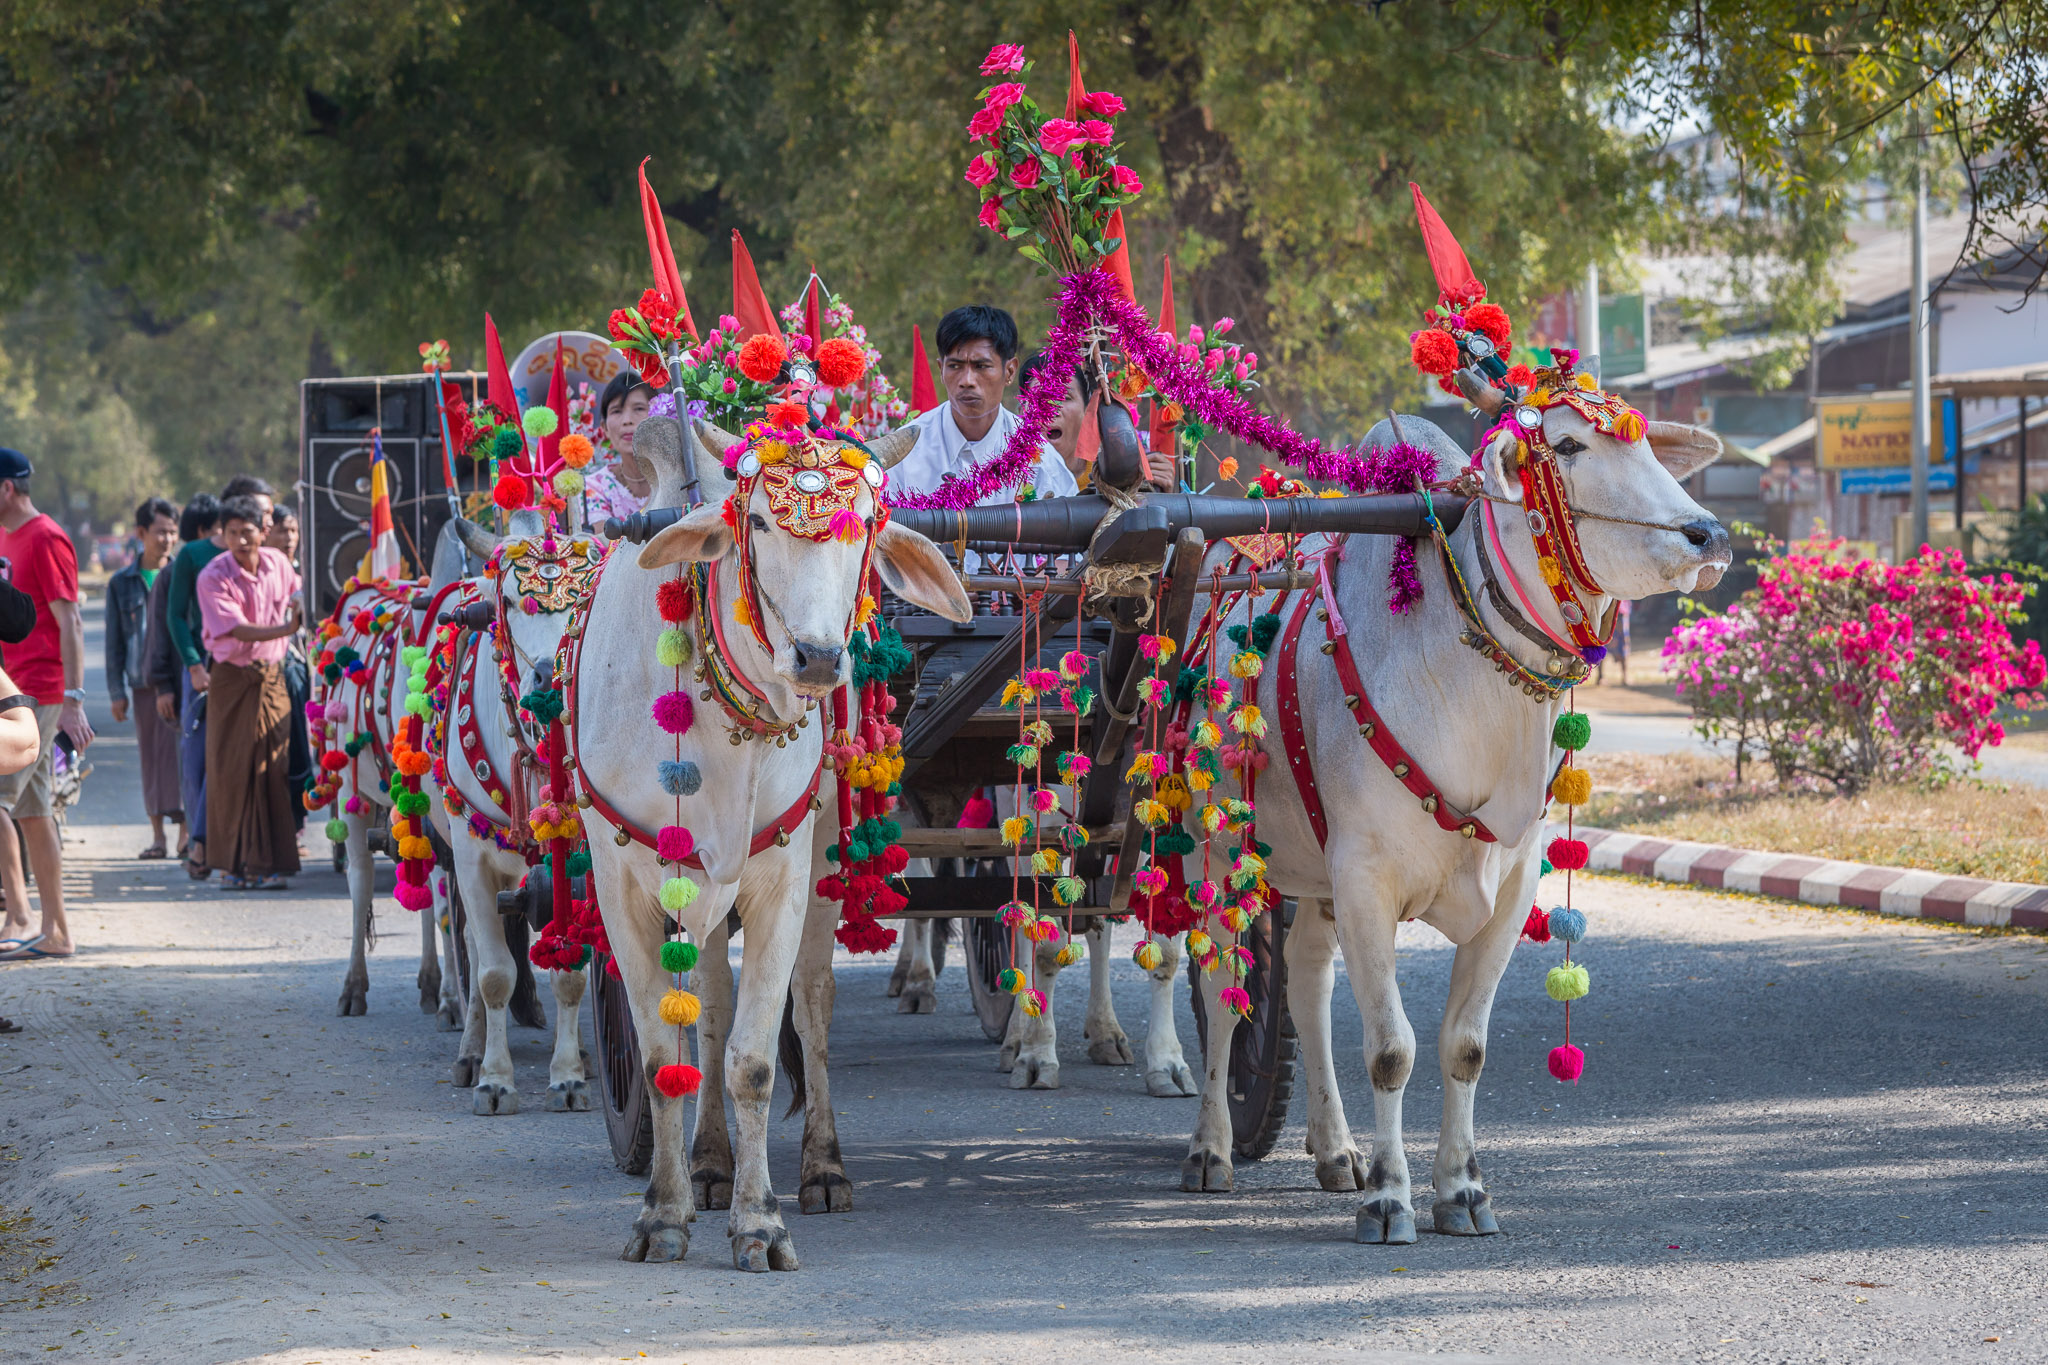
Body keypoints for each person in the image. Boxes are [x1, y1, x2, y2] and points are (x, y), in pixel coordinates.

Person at [0, 447, 90, 961]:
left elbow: (71, 619)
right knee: (33, 812)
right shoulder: (6, 534)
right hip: (12, 684)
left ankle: (17, 914)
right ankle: (55, 931)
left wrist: (74, 700)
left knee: (6, 802)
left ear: (7, 488)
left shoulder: (46, 536)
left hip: (41, 688)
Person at [195, 495, 301, 890]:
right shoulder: (212, 575)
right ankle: (232, 866)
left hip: (272, 678)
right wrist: (286, 630)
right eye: (233, 533)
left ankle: (270, 864)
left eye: (248, 533)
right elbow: (236, 629)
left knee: (273, 766)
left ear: (265, 532)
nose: (241, 541)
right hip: (231, 679)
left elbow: (298, 597)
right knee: (230, 769)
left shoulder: (278, 564)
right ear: (222, 535)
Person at [168, 478, 271, 878]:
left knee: (244, 758)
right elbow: (175, 616)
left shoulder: (265, 554)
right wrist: (192, 664)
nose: (260, 524)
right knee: (200, 760)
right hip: (203, 668)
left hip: (255, 669)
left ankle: (241, 848)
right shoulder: (193, 557)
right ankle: (200, 839)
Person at [888, 307, 1081, 503]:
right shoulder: (906, 454)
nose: (967, 380)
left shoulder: (1041, 462)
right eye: (955, 366)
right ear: (941, 369)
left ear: (1009, 371)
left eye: (981, 366)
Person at [105, 497, 183, 859]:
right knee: (151, 759)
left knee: (182, 758)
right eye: (159, 531)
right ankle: (158, 837)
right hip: (141, 685)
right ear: (141, 533)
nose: (166, 539)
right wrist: (115, 691)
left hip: (180, 682)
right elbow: (113, 643)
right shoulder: (122, 583)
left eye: (172, 531)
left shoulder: (182, 574)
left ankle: (185, 834)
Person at [266, 505, 311, 840]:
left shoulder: (306, 575)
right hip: (275, 669)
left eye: (294, 530)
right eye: (282, 530)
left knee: (302, 746)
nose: (289, 538)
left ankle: (297, 822)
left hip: (304, 668)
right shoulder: (263, 575)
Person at [582, 371, 656, 524]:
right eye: (616, 411)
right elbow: (604, 543)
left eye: (639, 409)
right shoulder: (595, 486)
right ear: (605, 428)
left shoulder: (681, 477)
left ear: (658, 414)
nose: (627, 421)